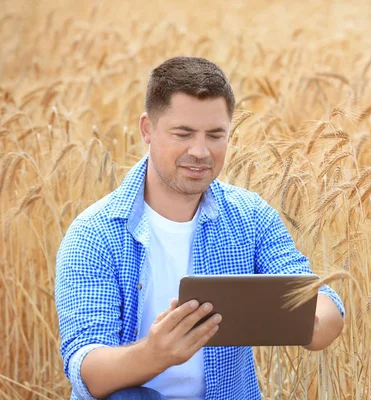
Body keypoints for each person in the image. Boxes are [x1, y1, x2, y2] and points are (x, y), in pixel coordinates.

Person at [55, 56, 345, 400]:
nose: (200, 151)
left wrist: (311, 321)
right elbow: (87, 373)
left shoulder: (250, 217)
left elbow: (322, 302)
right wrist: (154, 354)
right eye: (183, 133)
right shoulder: (94, 233)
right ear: (147, 129)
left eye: (215, 135)